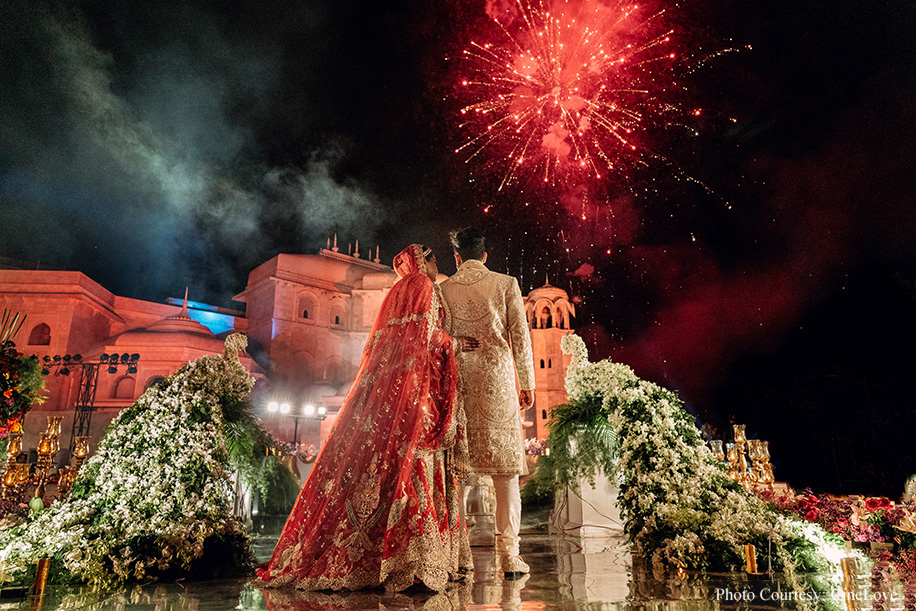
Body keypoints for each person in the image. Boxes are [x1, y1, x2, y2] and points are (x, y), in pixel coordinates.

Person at [255, 244, 475, 592]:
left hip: (389, 396)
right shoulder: (423, 286)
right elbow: (427, 336)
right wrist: (456, 343)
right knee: (413, 464)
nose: (436, 267)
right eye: (433, 260)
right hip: (416, 394)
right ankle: (413, 558)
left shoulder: (395, 292)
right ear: (424, 262)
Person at [438, 228, 535, 575]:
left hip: (458, 384)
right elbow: (520, 337)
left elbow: (436, 337)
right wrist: (528, 384)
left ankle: (456, 556)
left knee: (457, 473)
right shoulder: (507, 283)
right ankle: (510, 555)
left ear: (457, 257)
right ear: (485, 255)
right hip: (498, 383)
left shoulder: (442, 289)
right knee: (506, 474)